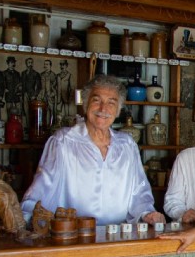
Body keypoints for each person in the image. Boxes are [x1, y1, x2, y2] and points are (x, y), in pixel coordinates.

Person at [21, 74, 164, 226]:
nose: (103, 109)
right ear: (85, 104)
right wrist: (26, 219)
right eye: (97, 100)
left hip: (119, 237)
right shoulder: (64, 141)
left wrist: (147, 213)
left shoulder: (127, 144)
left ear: (118, 110)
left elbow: (139, 191)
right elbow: (41, 189)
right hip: (74, 236)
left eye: (111, 103)